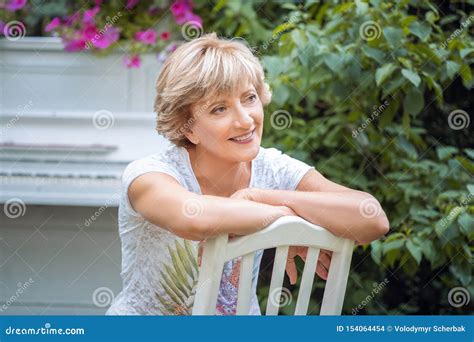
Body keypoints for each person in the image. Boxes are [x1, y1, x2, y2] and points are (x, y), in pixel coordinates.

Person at [106, 33, 389, 315]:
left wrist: (256, 196)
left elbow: (371, 217)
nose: (245, 120)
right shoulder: (149, 176)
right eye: (219, 108)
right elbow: (193, 217)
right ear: (186, 127)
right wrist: (288, 220)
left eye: (249, 98)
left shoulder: (272, 169)